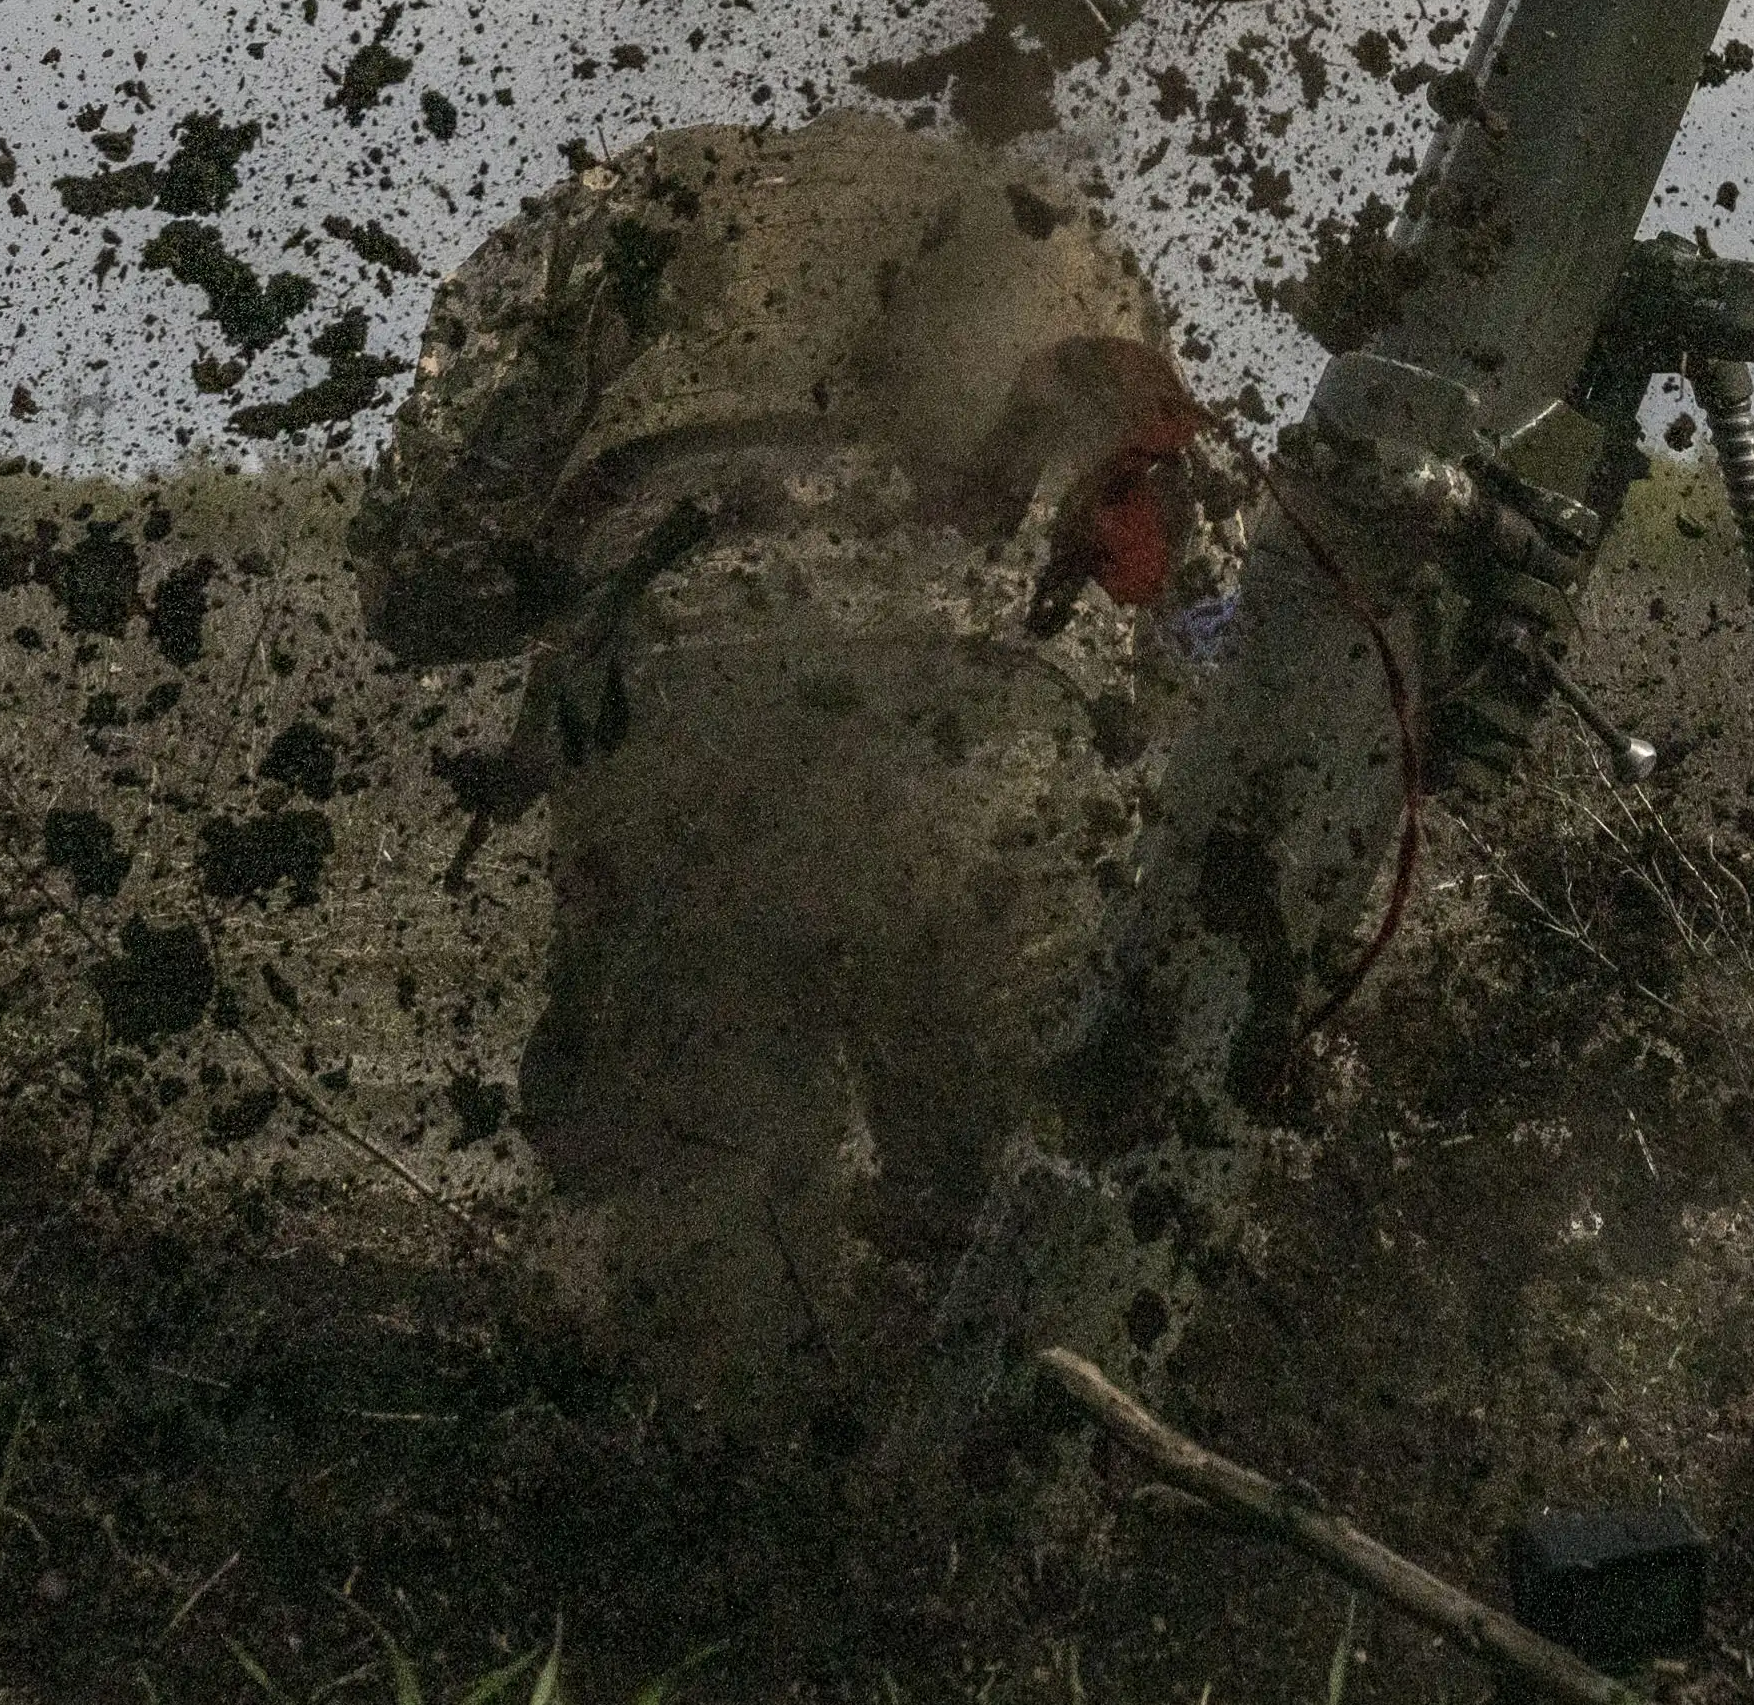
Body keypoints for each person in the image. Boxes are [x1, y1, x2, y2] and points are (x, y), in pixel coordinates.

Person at [352, 112, 1234, 1439]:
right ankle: (1038, 1551)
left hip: (683, 727)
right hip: (999, 743)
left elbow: (424, 563)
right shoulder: (1043, 220)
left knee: (708, 1250)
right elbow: (1195, 592)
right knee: (1048, 1210)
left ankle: (738, 1562)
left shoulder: (617, 215)